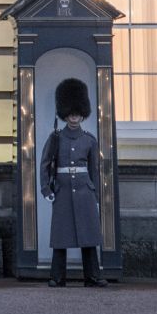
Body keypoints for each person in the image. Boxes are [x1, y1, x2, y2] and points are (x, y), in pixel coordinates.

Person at [40, 77, 108, 288]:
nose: (74, 116)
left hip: (85, 190)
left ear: (82, 113)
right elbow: (45, 164)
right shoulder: (56, 138)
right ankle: (57, 276)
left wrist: (96, 194)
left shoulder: (89, 140)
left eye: (77, 113)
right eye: (70, 113)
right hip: (62, 190)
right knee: (61, 236)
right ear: (65, 113)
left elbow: (94, 170)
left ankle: (93, 276)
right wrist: (46, 188)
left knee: (88, 235)